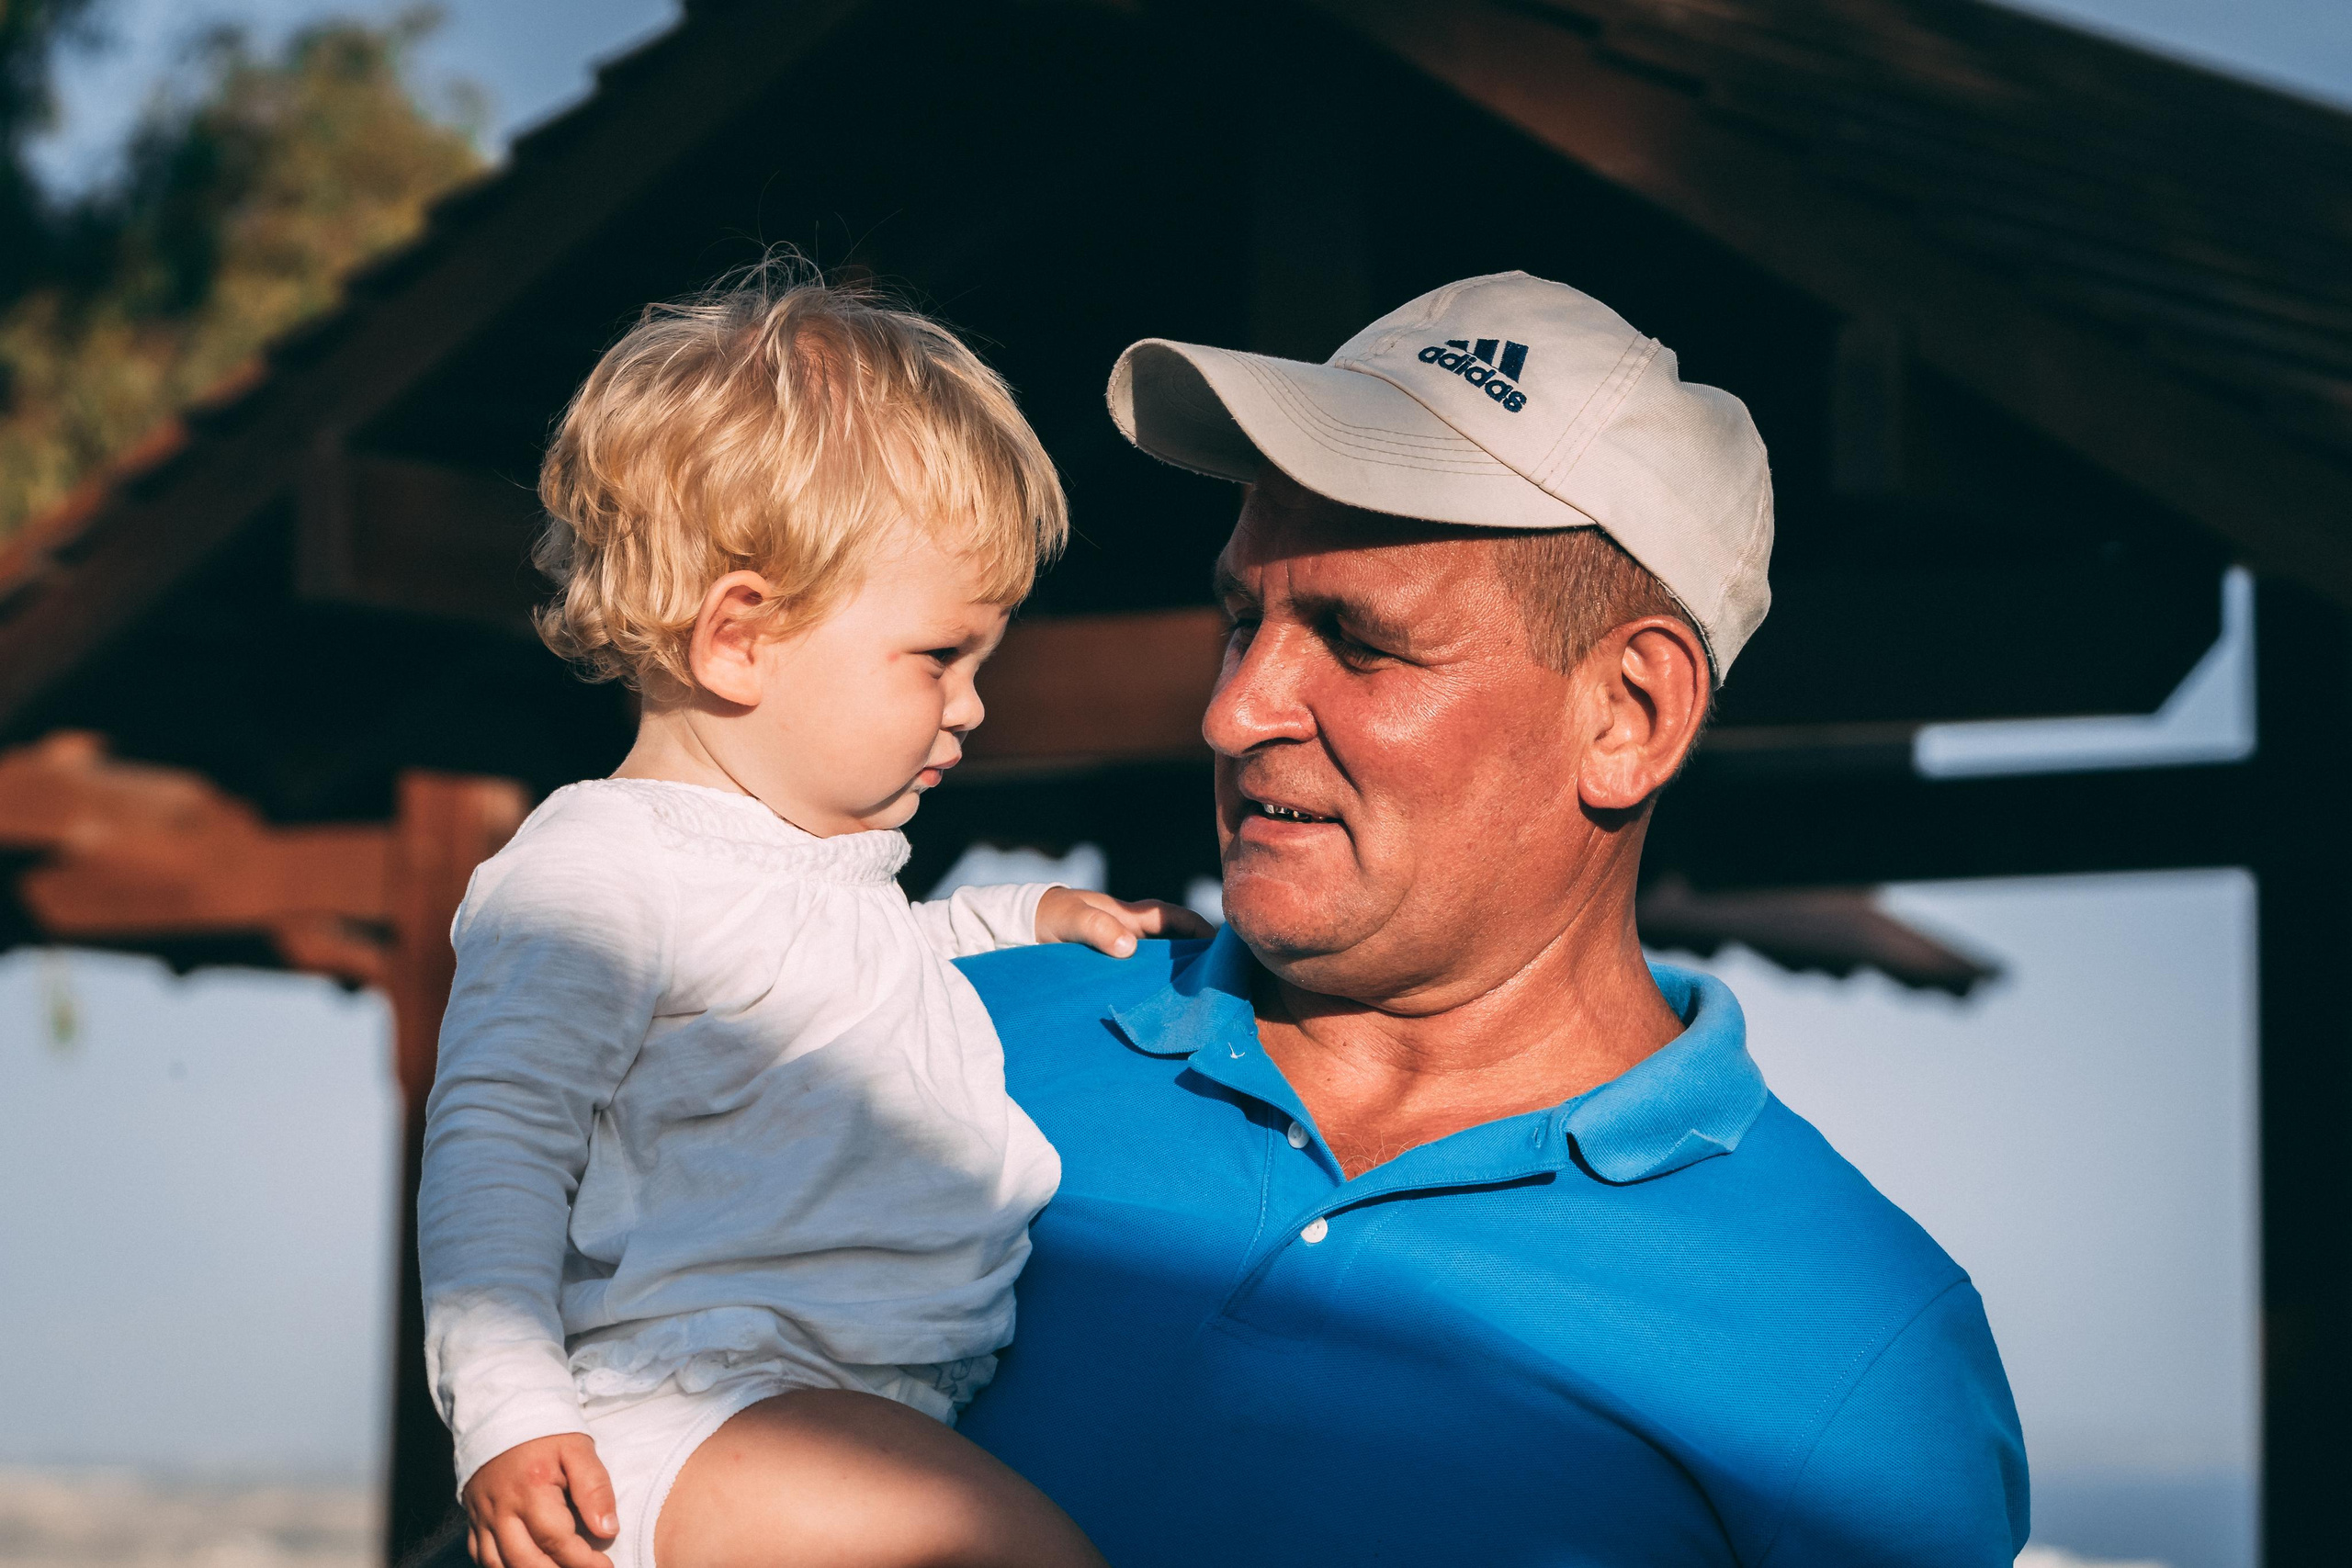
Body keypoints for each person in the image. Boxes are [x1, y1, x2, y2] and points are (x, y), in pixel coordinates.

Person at [956, 271, 2031, 1564]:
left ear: (1630, 716)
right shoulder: (935, 1039)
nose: (1233, 714)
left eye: (1360, 642)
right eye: (1245, 619)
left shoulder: (1857, 1349)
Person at [416, 270, 1205, 1568]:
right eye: (939, 657)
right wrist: (506, 1414)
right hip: (701, 1411)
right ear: (740, 639)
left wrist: (1028, 916)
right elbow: (495, 1143)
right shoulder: (596, 874)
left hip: (838, 1410)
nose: (973, 706)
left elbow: (872, 973)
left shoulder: (817, 878)